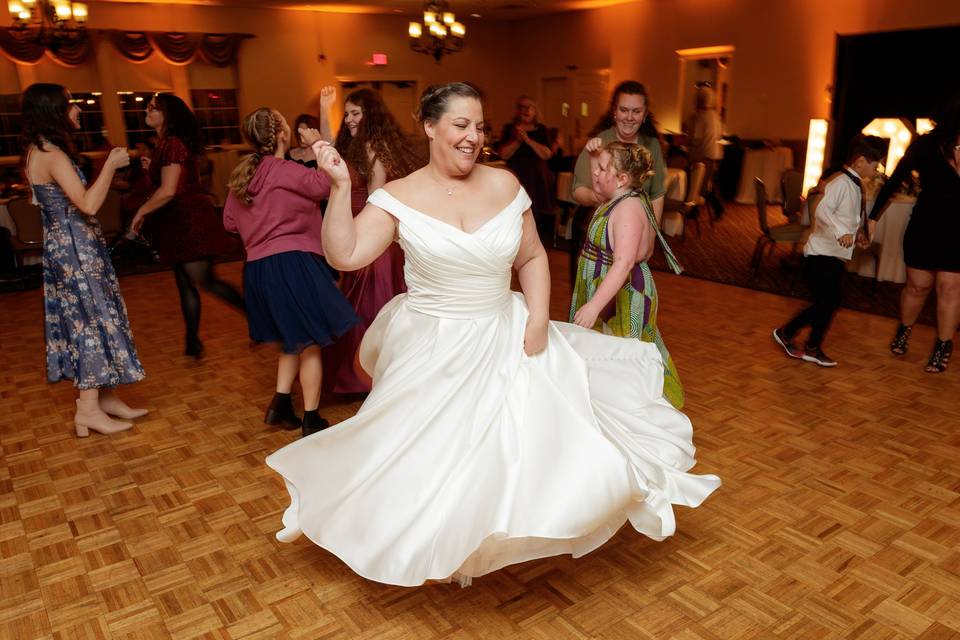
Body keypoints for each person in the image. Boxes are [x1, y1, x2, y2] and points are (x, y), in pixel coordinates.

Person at [265, 82, 720, 587]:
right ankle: (428, 538)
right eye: (460, 125)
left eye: (478, 126)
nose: (471, 137)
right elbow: (344, 255)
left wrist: (540, 319)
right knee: (430, 453)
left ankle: (500, 530)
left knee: (523, 449)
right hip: (434, 345)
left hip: (505, 330)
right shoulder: (397, 196)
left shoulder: (504, 185)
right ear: (430, 126)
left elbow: (531, 257)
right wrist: (336, 189)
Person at [21, 83, 147, 437]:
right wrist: (110, 166)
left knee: (93, 316)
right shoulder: (51, 154)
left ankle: (106, 398)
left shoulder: (38, 151)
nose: (77, 110)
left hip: (71, 246)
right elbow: (88, 205)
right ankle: (87, 410)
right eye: (70, 105)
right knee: (90, 322)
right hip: (76, 250)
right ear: (53, 112)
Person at [224, 108, 358, 436]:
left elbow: (228, 221)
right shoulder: (283, 170)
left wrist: (260, 220)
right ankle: (312, 418)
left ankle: (281, 405)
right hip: (293, 264)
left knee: (292, 338)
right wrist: (319, 144)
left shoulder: (243, 174)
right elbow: (327, 182)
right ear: (283, 135)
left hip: (258, 269)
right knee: (311, 341)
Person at [569, 141, 685, 408]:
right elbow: (600, 185)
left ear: (622, 178)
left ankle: (633, 416)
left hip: (622, 297)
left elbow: (623, 263)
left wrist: (594, 306)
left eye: (602, 168)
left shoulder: (628, 209)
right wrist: (593, 156)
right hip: (604, 290)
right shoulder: (616, 196)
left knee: (624, 359)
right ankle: (603, 411)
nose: (595, 173)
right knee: (599, 356)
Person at [320, 86, 420, 394]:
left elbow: (377, 200)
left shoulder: (376, 147)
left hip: (371, 237)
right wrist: (326, 109)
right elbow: (328, 153)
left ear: (370, 115)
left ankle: (369, 373)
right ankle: (362, 371)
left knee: (369, 307)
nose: (349, 120)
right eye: (346, 114)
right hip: (353, 232)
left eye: (355, 114)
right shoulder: (354, 146)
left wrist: (356, 233)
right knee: (354, 304)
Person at [130, 93, 245, 358]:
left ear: (167, 115)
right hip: (177, 221)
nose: (147, 110)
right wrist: (151, 170)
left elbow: (169, 190)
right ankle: (192, 341)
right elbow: (169, 185)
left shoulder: (172, 143)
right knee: (185, 283)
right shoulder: (165, 144)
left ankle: (259, 320)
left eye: (153, 107)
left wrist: (141, 212)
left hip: (189, 221)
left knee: (206, 281)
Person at [773, 136, 884, 367]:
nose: (878, 170)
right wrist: (840, 232)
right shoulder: (841, 183)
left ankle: (800, 339)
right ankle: (797, 338)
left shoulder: (855, 184)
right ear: (861, 161)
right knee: (829, 301)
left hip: (833, 254)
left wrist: (856, 235)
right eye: (877, 165)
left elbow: (848, 218)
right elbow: (822, 211)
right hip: (820, 253)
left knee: (830, 302)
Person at [870, 100, 960, 373]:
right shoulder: (925, 145)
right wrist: (873, 217)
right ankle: (905, 327)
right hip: (927, 224)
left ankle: (943, 345)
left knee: (949, 287)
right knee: (917, 285)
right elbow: (895, 179)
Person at [569, 81, 667, 284]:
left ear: (645, 114)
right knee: (594, 300)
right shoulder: (598, 143)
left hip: (633, 238)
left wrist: (650, 237)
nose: (629, 117)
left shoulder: (652, 146)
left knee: (626, 301)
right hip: (595, 233)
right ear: (614, 111)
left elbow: (657, 195)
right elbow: (577, 190)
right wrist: (597, 197)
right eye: (624, 110)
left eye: (636, 111)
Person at [496, 96, 556, 231]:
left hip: (537, 177)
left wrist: (528, 140)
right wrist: (517, 141)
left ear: (535, 111)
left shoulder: (541, 129)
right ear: (517, 111)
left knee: (535, 214)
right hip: (516, 175)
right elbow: (503, 154)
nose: (526, 110)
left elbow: (546, 154)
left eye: (530, 107)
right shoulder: (510, 128)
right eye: (522, 107)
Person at [684, 85, 725, 219]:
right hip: (714, 155)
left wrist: (686, 142)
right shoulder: (715, 116)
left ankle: (692, 209)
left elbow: (696, 139)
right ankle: (697, 210)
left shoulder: (699, 117)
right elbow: (719, 135)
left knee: (697, 185)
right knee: (705, 186)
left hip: (702, 156)